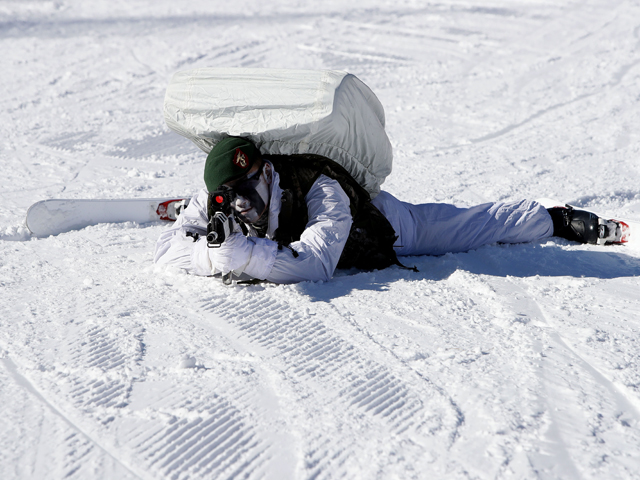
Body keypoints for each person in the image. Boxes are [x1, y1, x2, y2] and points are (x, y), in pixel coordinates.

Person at [154, 137, 625, 284]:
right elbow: (164, 255)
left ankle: (552, 217)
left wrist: (245, 257)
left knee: (465, 229)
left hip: (376, 224)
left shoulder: (322, 188)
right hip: (271, 239)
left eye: (248, 187)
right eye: (228, 196)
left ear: (268, 171)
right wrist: (212, 254)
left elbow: (317, 264)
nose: (241, 205)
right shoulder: (219, 201)